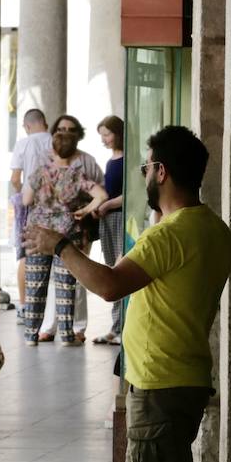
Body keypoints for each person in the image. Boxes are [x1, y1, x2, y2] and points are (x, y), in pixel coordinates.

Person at [25, 124, 231, 462]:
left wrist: (60, 246)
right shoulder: (211, 228)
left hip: (163, 380)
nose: (142, 174)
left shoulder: (172, 233)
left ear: (161, 171)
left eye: (145, 167)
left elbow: (110, 284)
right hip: (166, 375)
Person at [21, 120, 106, 347]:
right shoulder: (77, 176)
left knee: (35, 286)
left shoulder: (40, 172)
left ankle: (30, 335)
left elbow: (26, 199)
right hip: (67, 235)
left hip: (38, 234)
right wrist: (85, 209)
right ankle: (67, 334)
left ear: (53, 148)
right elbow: (101, 195)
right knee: (66, 285)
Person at [8, 109, 53, 322]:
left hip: (31, 204)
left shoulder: (23, 143)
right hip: (55, 204)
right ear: (45, 122)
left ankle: (26, 306)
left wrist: (20, 195)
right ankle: (52, 311)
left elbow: (15, 178)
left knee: (26, 255)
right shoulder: (55, 141)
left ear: (26, 126)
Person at [93, 115, 125, 345]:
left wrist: (108, 205)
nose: (104, 139)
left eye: (107, 134)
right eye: (102, 135)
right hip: (107, 220)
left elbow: (130, 194)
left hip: (120, 218)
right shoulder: (110, 160)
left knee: (122, 269)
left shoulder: (128, 159)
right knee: (111, 270)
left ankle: (123, 326)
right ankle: (115, 326)